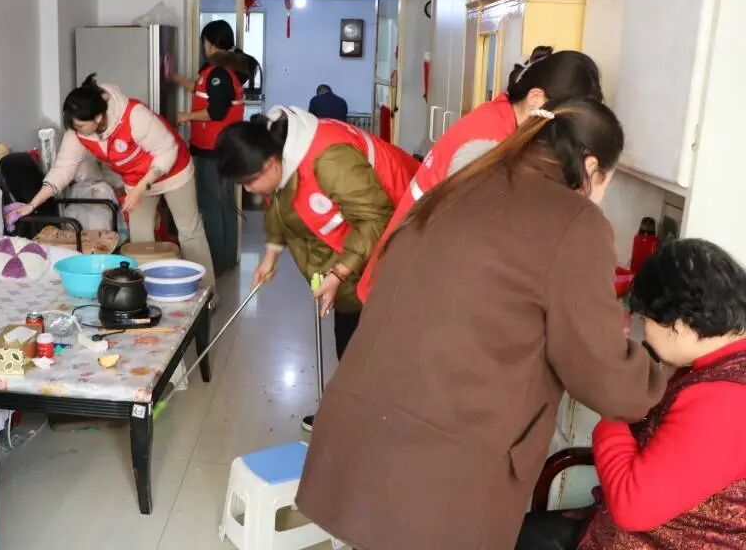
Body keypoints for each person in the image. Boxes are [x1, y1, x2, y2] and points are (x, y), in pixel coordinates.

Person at [296, 97, 667, 550]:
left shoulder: (464, 181)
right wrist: (658, 369)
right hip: (437, 470)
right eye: (607, 181)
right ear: (592, 167)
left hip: (361, 439)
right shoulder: (575, 219)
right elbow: (603, 376)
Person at [517, 239, 746, 550]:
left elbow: (632, 508)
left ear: (680, 325)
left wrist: (612, 406)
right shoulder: (720, 365)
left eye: (645, 320)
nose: (643, 331)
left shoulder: (724, 403)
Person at [215, 105, 419, 430]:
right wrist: (270, 254)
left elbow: (375, 220)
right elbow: (280, 206)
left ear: (271, 163)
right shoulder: (277, 150)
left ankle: (371, 424)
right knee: (350, 339)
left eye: (250, 182)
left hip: (401, 241)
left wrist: (338, 273)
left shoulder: (330, 159)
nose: (249, 190)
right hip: (354, 254)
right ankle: (350, 414)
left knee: (371, 344)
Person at [357, 46, 603, 301]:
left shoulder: (501, 112)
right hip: (405, 281)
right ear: (536, 99)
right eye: (566, 124)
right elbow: (473, 242)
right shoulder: (488, 144)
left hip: (407, 268)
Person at [11, 75, 215, 291]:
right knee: (140, 239)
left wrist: (141, 188)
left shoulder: (134, 115)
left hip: (173, 170)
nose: (76, 131)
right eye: (73, 126)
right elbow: (62, 170)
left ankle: (206, 291)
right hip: (136, 179)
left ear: (98, 118)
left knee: (189, 231)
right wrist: (32, 204)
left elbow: (168, 150)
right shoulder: (79, 132)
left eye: (80, 125)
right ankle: (147, 292)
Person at [173, 20, 256, 274]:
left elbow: (216, 111)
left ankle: (215, 263)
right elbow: (201, 88)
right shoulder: (223, 70)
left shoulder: (218, 72)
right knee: (225, 204)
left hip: (213, 152)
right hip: (224, 149)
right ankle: (227, 258)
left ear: (208, 42)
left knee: (211, 205)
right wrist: (173, 77)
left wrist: (186, 117)